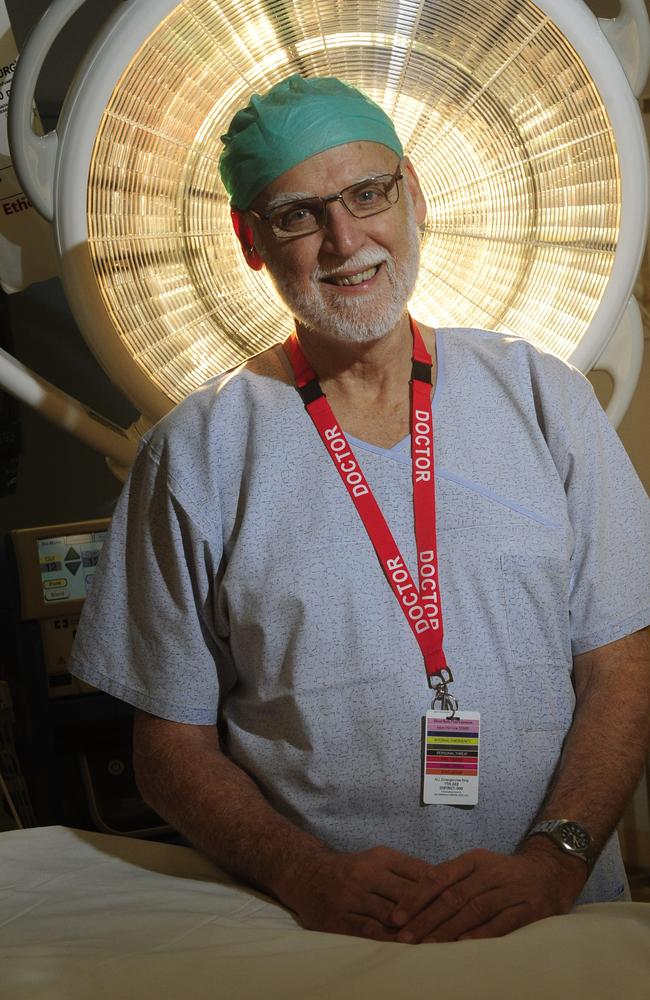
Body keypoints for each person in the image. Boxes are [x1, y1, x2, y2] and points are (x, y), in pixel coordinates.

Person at [70, 75, 650, 944]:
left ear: (412, 193)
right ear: (250, 241)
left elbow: (624, 664)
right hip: (323, 938)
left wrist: (555, 859)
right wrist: (304, 874)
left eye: (367, 194)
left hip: (549, 927)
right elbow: (169, 748)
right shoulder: (198, 451)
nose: (346, 240)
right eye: (298, 215)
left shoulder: (542, 399)